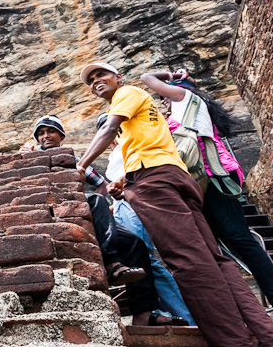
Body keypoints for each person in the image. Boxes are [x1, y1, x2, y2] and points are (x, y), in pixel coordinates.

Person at [75, 61, 273, 347]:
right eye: (91, 80)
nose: (96, 81)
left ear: (117, 77)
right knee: (218, 262)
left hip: (153, 182)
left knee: (187, 261)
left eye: (101, 74)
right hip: (175, 178)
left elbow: (108, 128)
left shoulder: (127, 94)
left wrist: (81, 165)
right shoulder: (145, 114)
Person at [140, 69, 273, 325]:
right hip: (197, 185)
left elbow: (146, 78)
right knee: (216, 250)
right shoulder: (181, 112)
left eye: (165, 95)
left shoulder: (187, 99)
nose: (163, 100)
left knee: (241, 241)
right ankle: (248, 315)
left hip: (214, 178)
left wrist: (170, 75)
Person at [27, 115, 186, 325]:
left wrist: (101, 203)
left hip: (79, 211)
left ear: (61, 136)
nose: (45, 136)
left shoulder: (74, 160)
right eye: (41, 133)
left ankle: (144, 314)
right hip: (49, 212)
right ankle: (113, 263)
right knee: (93, 199)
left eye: (51, 131)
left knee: (134, 244)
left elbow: (100, 183)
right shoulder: (31, 156)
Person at [99, 113, 195, 326]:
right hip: (123, 205)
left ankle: (189, 316)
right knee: (140, 258)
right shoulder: (116, 154)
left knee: (146, 257)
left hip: (134, 201)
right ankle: (160, 310)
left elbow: (138, 171)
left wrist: (121, 185)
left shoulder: (133, 145)